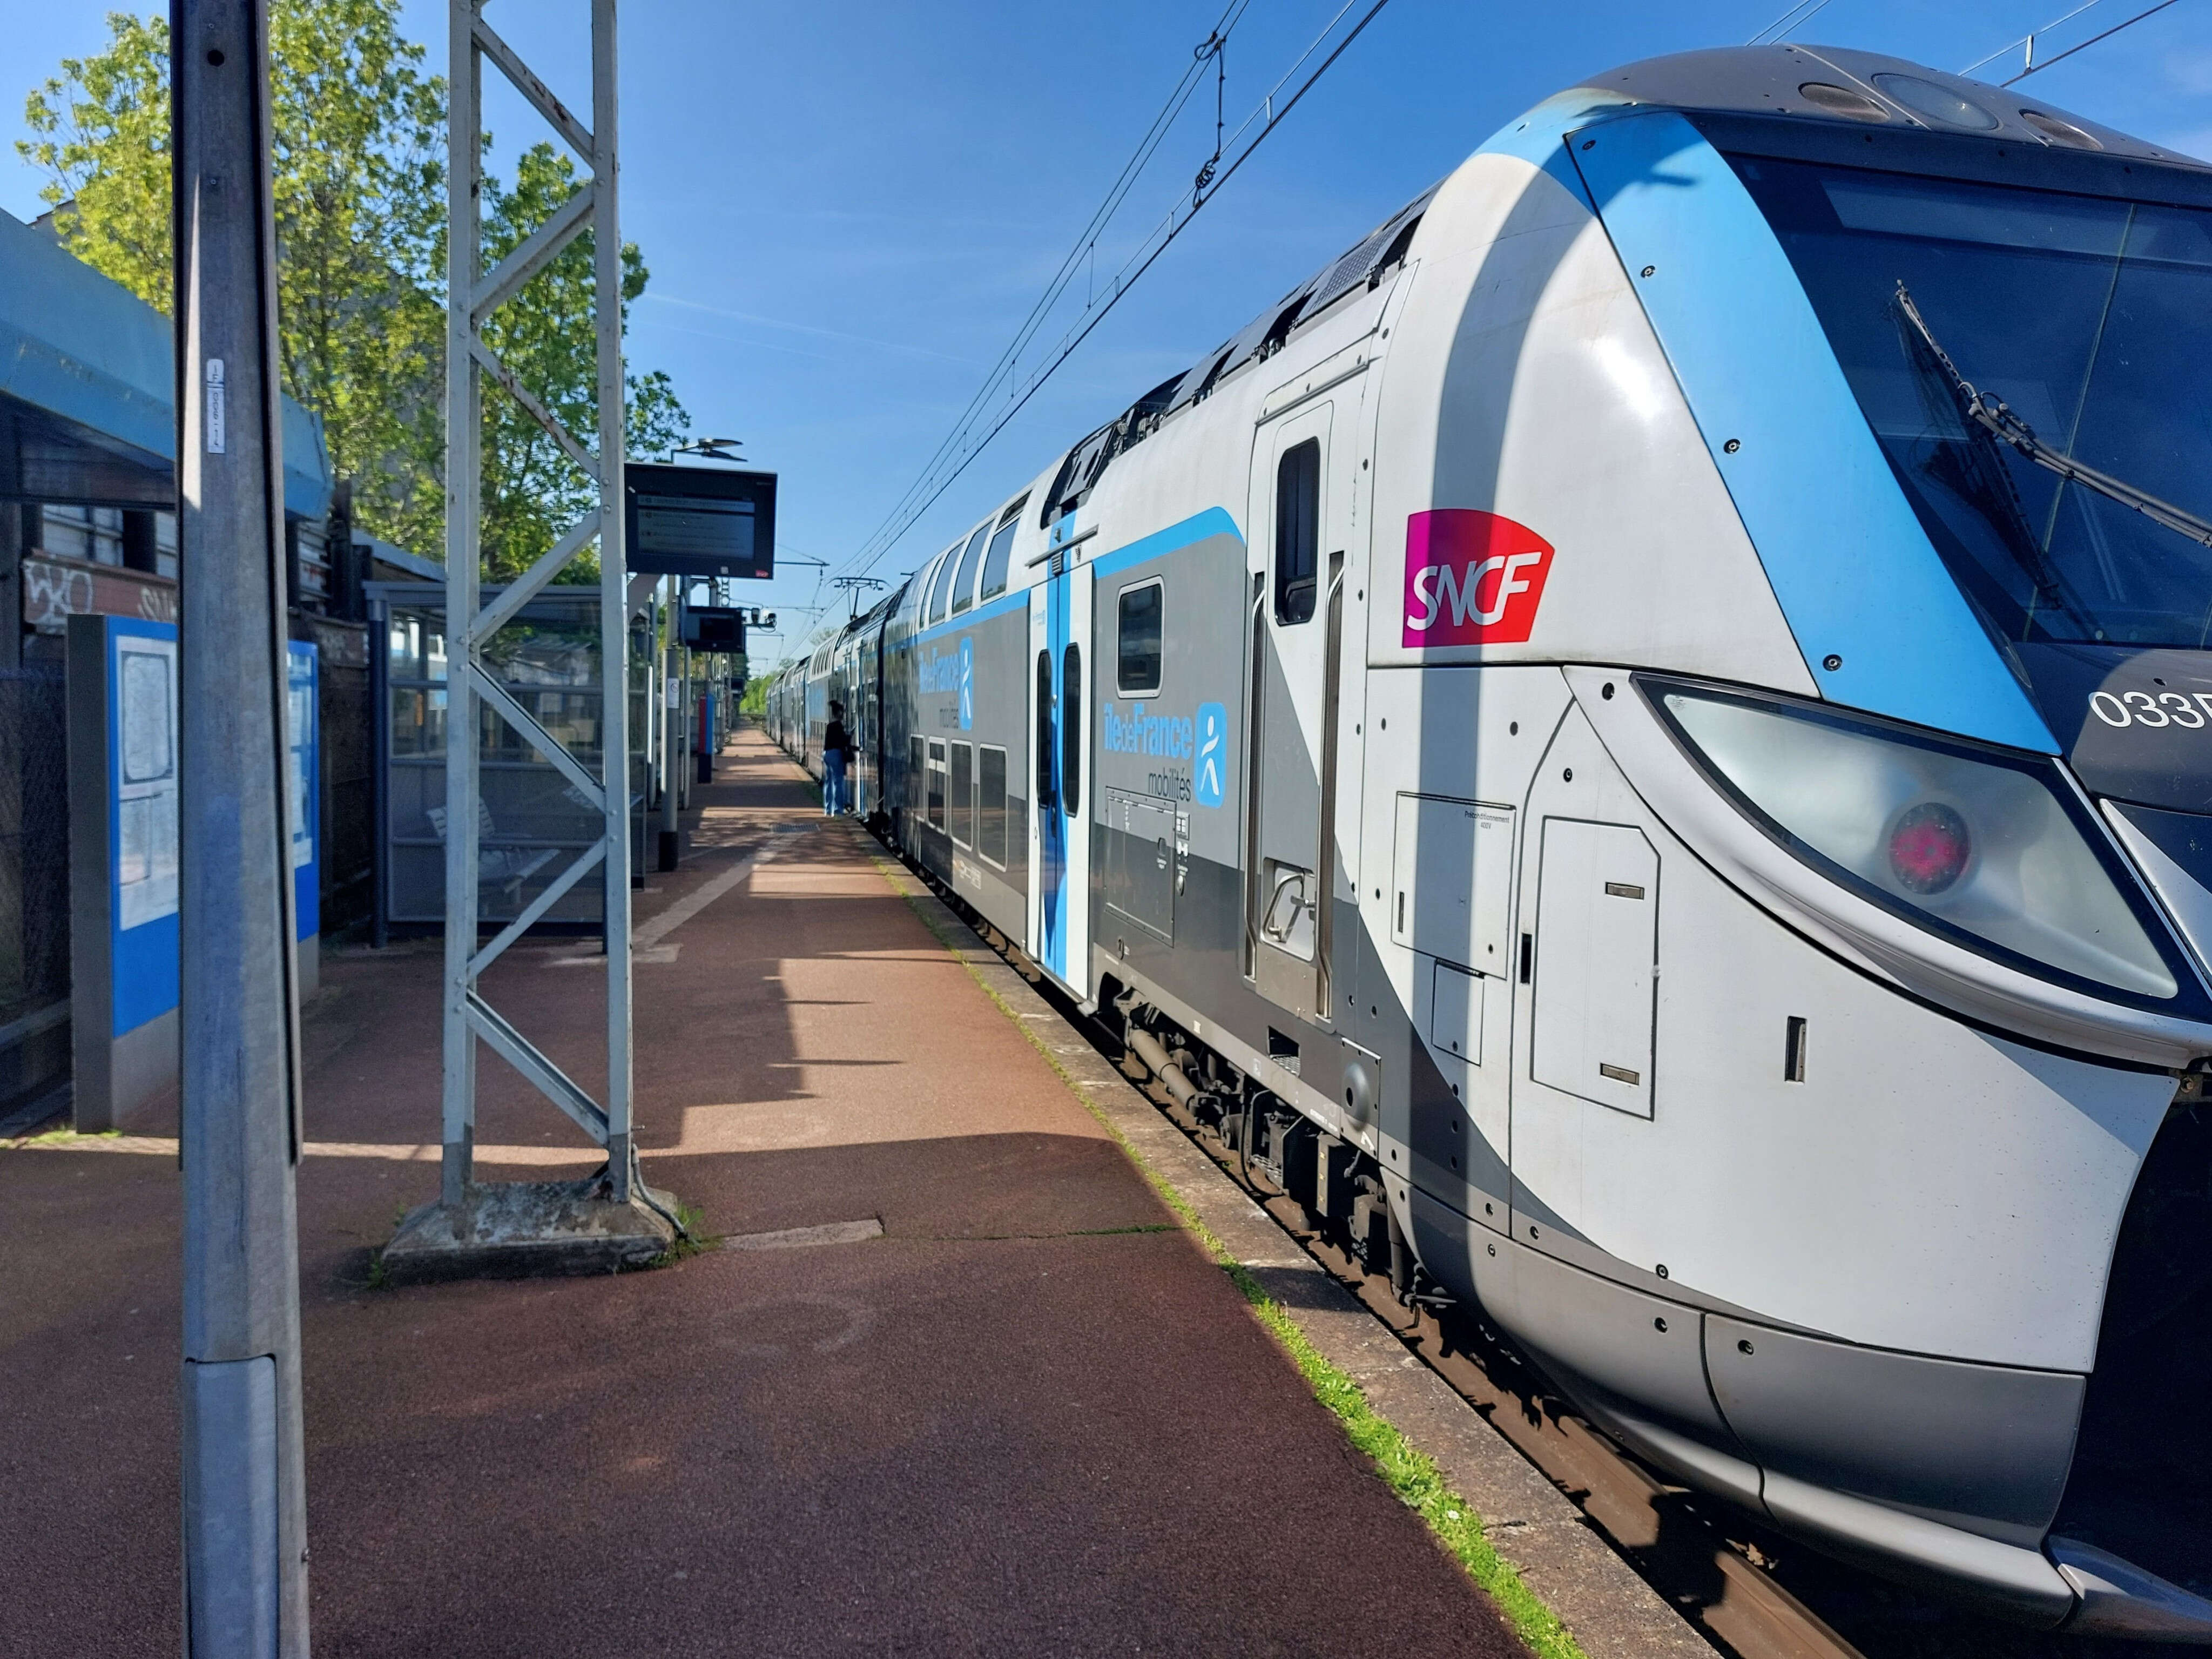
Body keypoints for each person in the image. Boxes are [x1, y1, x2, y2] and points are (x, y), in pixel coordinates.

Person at [821, 700, 851, 817]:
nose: (843, 714)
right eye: (842, 712)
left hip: (827, 755)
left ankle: (828, 810)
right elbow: (842, 741)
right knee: (838, 782)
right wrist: (848, 738)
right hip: (836, 755)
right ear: (838, 713)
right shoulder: (838, 725)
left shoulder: (830, 725)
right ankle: (839, 810)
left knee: (828, 782)